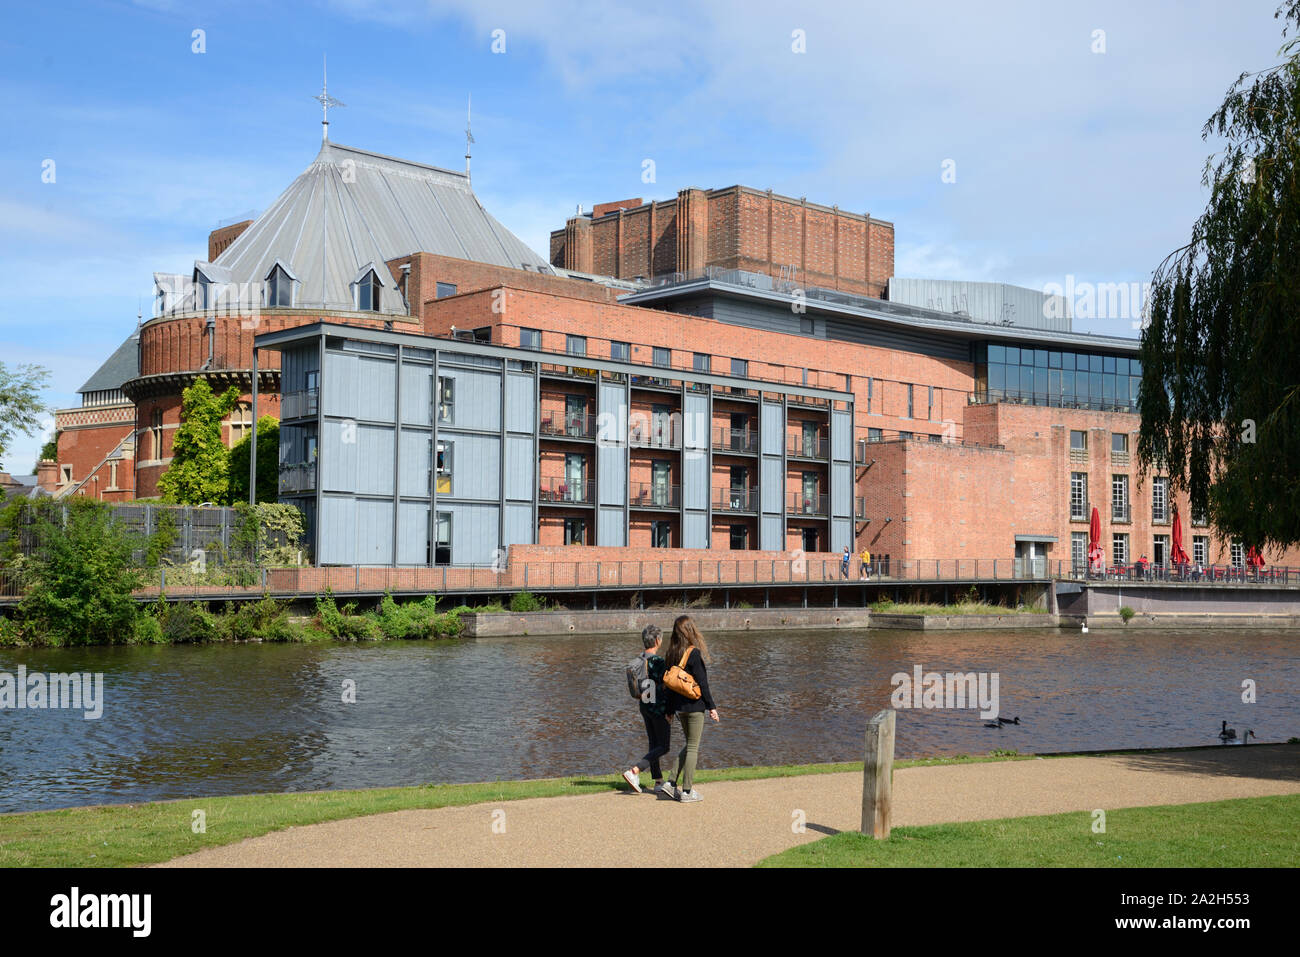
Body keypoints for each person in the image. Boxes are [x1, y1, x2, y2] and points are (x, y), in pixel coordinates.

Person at [661, 615, 719, 803]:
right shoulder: (693, 653)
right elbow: (703, 684)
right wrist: (712, 707)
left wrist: (669, 711)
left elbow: (669, 686)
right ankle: (687, 791)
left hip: (679, 709)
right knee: (693, 746)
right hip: (695, 706)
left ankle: (670, 783)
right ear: (691, 631)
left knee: (689, 745)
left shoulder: (671, 654)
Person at [622, 625, 671, 794]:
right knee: (664, 746)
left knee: (654, 744)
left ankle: (658, 781)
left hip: (644, 706)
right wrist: (669, 710)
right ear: (658, 640)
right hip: (658, 708)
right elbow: (666, 687)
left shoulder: (638, 660)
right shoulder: (658, 662)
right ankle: (635, 771)